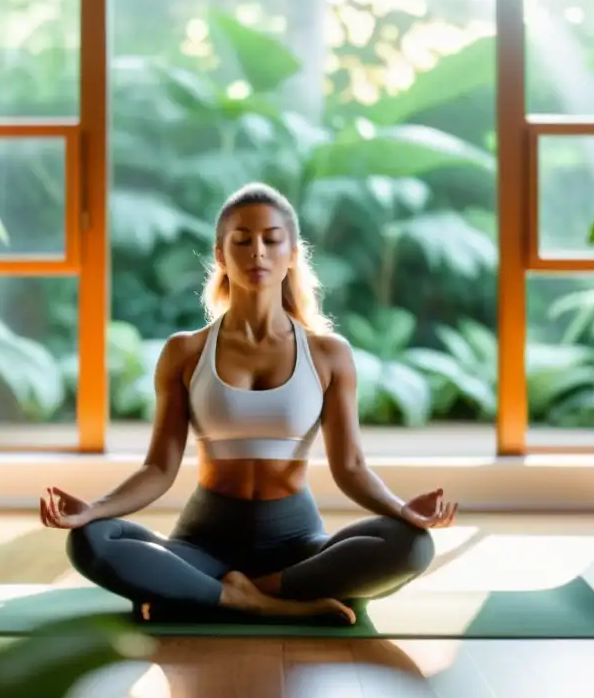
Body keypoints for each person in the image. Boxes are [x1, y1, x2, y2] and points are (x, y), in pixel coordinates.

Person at [40, 183, 459, 625]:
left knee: (412, 544)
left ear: (292, 253)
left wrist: (401, 510)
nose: (257, 251)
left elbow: (351, 467)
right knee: (91, 540)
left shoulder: (328, 354)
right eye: (242, 240)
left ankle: (221, 594)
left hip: (296, 546)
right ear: (221, 255)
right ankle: (263, 603)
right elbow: (158, 468)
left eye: (271, 240)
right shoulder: (184, 352)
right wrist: (93, 510)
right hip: (203, 544)